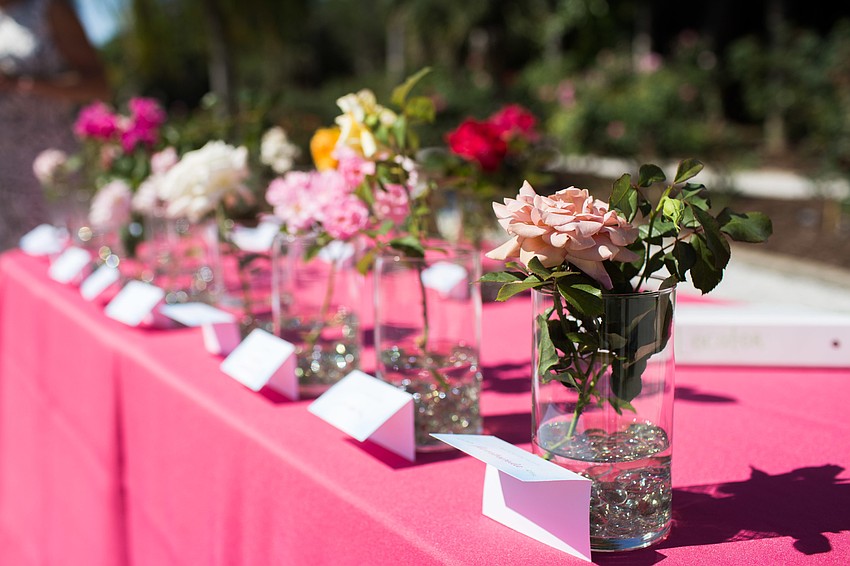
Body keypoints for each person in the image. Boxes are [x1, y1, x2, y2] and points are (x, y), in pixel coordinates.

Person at [0, 0, 110, 251]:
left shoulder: (47, 8)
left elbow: (98, 85)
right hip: (4, 180)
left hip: (49, 166)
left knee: (69, 253)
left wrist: (23, 83)